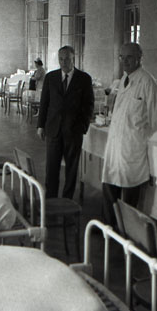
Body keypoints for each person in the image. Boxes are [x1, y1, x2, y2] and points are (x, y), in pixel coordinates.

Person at [101, 43, 157, 225]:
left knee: (129, 199)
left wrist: (139, 138)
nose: (125, 61)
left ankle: (127, 232)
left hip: (133, 149)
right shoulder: (124, 80)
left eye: (129, 57)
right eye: (121, 57)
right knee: (109, 188)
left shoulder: (147, 83)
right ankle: (109, 228)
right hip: (116, 147)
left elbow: (156, 121)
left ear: (139, 58)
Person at [37, 46, 94, 199]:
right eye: (61, 59)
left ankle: (67, 200)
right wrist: (41, 125)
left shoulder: (84, 79)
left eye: (67, 59)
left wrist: (82, 127)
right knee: (51, 168)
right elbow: (44, 103)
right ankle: (51, 200)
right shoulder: (51, 77)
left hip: (73, 131)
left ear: (74, 58)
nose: (63, 62)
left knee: (71, 169)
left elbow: (89, 105)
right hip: (53, 130)